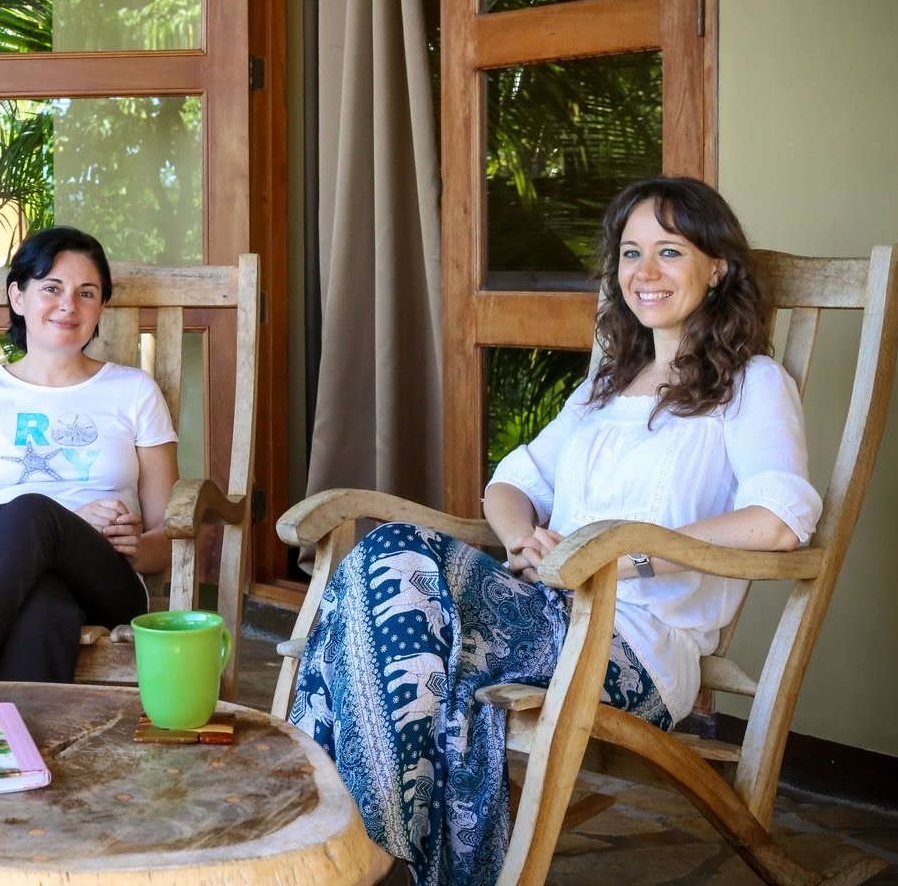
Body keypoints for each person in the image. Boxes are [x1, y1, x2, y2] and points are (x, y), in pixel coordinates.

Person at [290, 176, 822, 886]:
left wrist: (624, 555)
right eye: (631, 253)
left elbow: (780, 520)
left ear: (717, 266)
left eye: (669, 252)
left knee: (395, 607)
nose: (645, 273)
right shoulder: (608, 385)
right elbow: (510, 483)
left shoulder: (751, 385)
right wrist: (519, 540)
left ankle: (346, 848)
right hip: (540, 610)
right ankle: (365, 845)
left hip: (631, 646)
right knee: (386, 555)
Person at [0, 227, 179, 682]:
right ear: (18, 297)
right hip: (3, 581)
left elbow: (168, 534)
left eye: (87, 292)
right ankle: (18, 749)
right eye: (51, 288)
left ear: (101, 306)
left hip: (106, 579)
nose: (69, 304)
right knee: (41, 606)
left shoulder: (134, 391)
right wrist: (69, 519)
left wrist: (137, 544)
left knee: (31, 513)